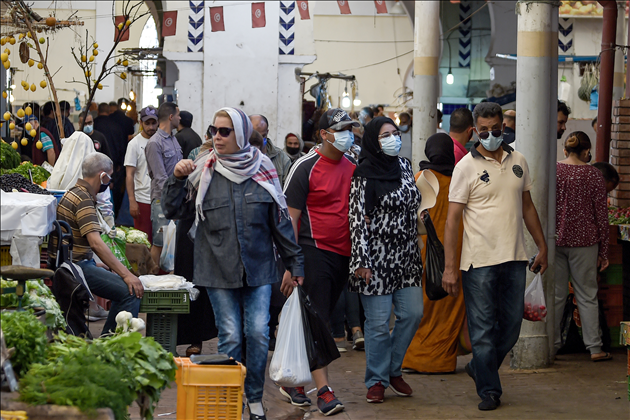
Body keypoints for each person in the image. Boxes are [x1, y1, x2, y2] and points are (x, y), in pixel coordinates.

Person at [162, 107, 304, 420]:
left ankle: (254, 398)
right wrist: (176, 178)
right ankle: (232, 398)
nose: (216, 136)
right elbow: (174, 211)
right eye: (214, 129)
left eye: (224, 131)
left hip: (258, 268)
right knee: (230, 335)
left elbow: (280, 222)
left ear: (240, 135)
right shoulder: (203, 170)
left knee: (258, 333)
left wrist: (295, 265)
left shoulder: (263, 170)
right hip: (215, 268)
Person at [442, 102, 548, 411]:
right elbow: (452, 220)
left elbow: (527, 205)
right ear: (475, 130)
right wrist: (450, 267)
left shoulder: (519, 161)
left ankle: (480, 367)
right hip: (478, 263)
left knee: (512, 326)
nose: (491, 135)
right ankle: (489, 389)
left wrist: (542, 245)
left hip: (515, 257)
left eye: (496, 129)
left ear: (504, 127)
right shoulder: (465, 168)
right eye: (485, 130)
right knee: (483, 329)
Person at [280, 108, 359, 416]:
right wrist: (291, 264)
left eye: (350, 129)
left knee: (313, 319)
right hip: (313, 251)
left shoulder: (352, 165)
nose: (347, 135)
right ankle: (324, 390)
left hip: (344, 254)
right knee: (319, 319)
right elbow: (290, 219)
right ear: (324, 134)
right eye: (341, 129)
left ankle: (294, 381)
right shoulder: (304, 167)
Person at [348, 117, 423, 403]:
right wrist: (361, 261)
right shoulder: (362, 174)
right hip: (375, 258)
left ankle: (392, 368)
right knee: (378, 323)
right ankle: (377, 380)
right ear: (372, 141)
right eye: (385, 136)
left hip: (407, 256)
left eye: (395, 133)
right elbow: (356, 220)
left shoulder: (405, 166)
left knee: (413, 313)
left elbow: (412, 201)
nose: (393, 139)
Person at [49, 152, 144, 336]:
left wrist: (100, 265)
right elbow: (96, 243)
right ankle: (111, 344)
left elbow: (81, 242)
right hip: (76, 268)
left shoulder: (73, 193)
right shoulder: (84, 199)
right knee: (130, 291)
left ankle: (108, 338)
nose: (109, 181)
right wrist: (126, 275)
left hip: (73, 263)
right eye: (109, 176)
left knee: (122, 286)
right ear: (102, 176)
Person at [403, 133, 466, 374]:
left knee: (423, 305)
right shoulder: (460, 180)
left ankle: (415, 357)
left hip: (423, 255)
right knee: (448, 306)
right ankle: (441, 359)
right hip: (455, 254)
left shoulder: (420, 179)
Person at [554, 132, 611, 362]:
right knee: (587, 295)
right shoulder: (594, 174)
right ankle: (595, 348)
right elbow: (601, 215)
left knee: (556, 295)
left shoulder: (554, 171)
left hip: (556, 240)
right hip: (586, 243)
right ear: (587, 151)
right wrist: (604, 251)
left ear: (565, 150)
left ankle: (551, 345)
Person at [145, 102, 182, 266]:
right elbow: (160, 178)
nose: (180, 118)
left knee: (174, 243)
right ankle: (150, 282)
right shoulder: (154, 143)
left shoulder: (174, 140)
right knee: (159, 244)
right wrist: (170, 203)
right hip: (163, 201)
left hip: (176, 199)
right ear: (171, 116)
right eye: (178, 115)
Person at [124, 106, 158, 243]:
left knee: (160, 240)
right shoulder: (134, 144)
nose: (151, 127)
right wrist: (132, 201)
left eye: (153, 123)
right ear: (141, 122)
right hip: (142, 199)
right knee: (143, 241)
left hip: (160, 199)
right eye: (147, 123)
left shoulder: (162, 141)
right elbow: (129, 175)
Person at [250, 114, 292, 186]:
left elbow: (289, 188)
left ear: (267, 132)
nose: (260, 140)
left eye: (263, 136)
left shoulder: (281, 158)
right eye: (256, 136)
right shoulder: (238, 157)